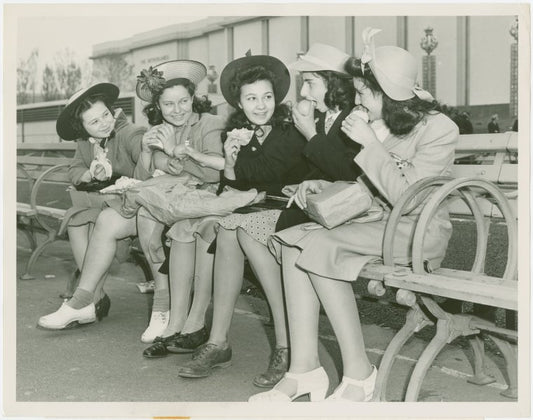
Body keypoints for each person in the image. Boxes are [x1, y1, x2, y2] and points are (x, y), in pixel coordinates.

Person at [249, 28, 459, 402]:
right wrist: (326, 188)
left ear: (386, 94)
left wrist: (371, 144)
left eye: (363, 93)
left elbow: (408, 199)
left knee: (320, 245)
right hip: (379, 223)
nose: (357, 100)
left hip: (419, 232)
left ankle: (360, 373)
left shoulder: (439, 129)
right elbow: (369, 188)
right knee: (293, 241)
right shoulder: (382, 124)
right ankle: (304, 369)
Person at [176, 45, 363, 388]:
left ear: (277, 98)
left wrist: (233, 164)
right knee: (229, 229)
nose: (260, 105)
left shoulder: (290, 127)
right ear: (239, 103)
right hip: (270, 208)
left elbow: (263, 174)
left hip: (294, 209)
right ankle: (218, 341)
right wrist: (231, 161)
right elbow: (239, 180)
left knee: (237, 228)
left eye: (266, 97)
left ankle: (284, 344)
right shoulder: (242, 134)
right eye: (251, 99)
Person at [37, 61, 225, 343]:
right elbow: (146, 175)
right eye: (169, 104)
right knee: (106, 219)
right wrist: (154, 155)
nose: (177, 110)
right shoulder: (159, 129)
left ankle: (162, 307)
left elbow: (211, 171)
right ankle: (83, 299)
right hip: (164, 197)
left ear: (193, 98)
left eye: (183, 101)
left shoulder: (207, 123)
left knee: (144, 215)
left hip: (197, 201)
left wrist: (173, 157)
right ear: (158, 107)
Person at [53, 82, 153, 315]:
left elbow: (145, 170)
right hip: (105, 204)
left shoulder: (130, 133)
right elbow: (75, 170)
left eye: (105, 115)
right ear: (83, 127)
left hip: (131, 204)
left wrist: (147, 152)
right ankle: (95, 295)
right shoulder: (84, 144)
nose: (104, 123)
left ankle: (90, 298)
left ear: (111, 110)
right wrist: (88, 173)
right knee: (76, 220)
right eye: (94, 122)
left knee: (85, 220)